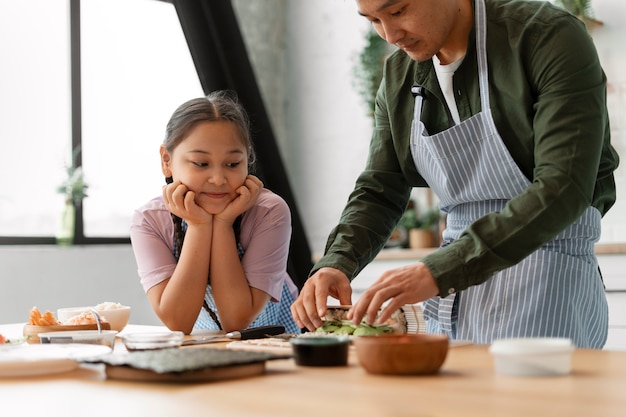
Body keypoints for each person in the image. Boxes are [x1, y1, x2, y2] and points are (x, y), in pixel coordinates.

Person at [291, 0, 619, 348]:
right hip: (452, 294)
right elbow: (380, 188)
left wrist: (440, 270)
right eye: (373, 20)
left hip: (547, 277)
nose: (390, 34)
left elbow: (563, 187)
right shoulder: (399, 77)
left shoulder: (547, 37)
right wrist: (336, 263)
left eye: (399, 11)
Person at [130, 90, 300, 335]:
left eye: (232, 164)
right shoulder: (149, 221)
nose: (219, 179)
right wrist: (199, 226)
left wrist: (222, 223)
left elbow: (237, 319)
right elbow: (178, 321)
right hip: (201, 348)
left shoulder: (268, 212)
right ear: (167, 160)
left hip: (276, 349)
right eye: (201, 164)